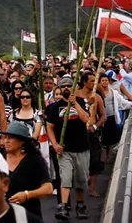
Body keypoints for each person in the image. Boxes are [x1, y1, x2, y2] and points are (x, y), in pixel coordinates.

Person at [47, 77, 90, 220]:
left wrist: (75, 104)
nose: (66, 88)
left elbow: (85, 119)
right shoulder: (54, 107)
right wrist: (55, 144)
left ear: (73, 88)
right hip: (64, 150)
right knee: (65, 177)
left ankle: (80, 204)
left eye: (69, 85)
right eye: (63, 86)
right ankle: (64, 206)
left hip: (81, 148)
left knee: (80, 179)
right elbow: (50, 127)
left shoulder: (82, 102)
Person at [2, 121, 52, 220]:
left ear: (22, 141)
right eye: (6, 137)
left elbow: (48, 188)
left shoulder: (34, 160)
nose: (6, 141)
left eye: (11, 138)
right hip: (4, 215)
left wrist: (27, 195)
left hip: (28, 214)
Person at [76, 71, 106, 198]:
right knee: (78, 162)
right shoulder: (76, 96)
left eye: (95, 81)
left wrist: (95, 126)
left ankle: (92, 189)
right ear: (84, 82)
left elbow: (103, 116)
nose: (94, 84)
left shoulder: (97, 97)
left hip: (92, 134)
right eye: (91, 81)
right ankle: (80, 187)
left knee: (94, 160)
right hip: (77, 133)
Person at [97, 73, 132, 164]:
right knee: (101, 138)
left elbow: (122, 101)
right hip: (101, 118)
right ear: (99, 82)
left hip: (111, 116)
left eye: (106, 80)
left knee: (110, 138)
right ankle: (101, 156)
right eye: (103, 81)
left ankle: (108, 156)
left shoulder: (113, 92)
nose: (105, 82)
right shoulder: (97, 94)